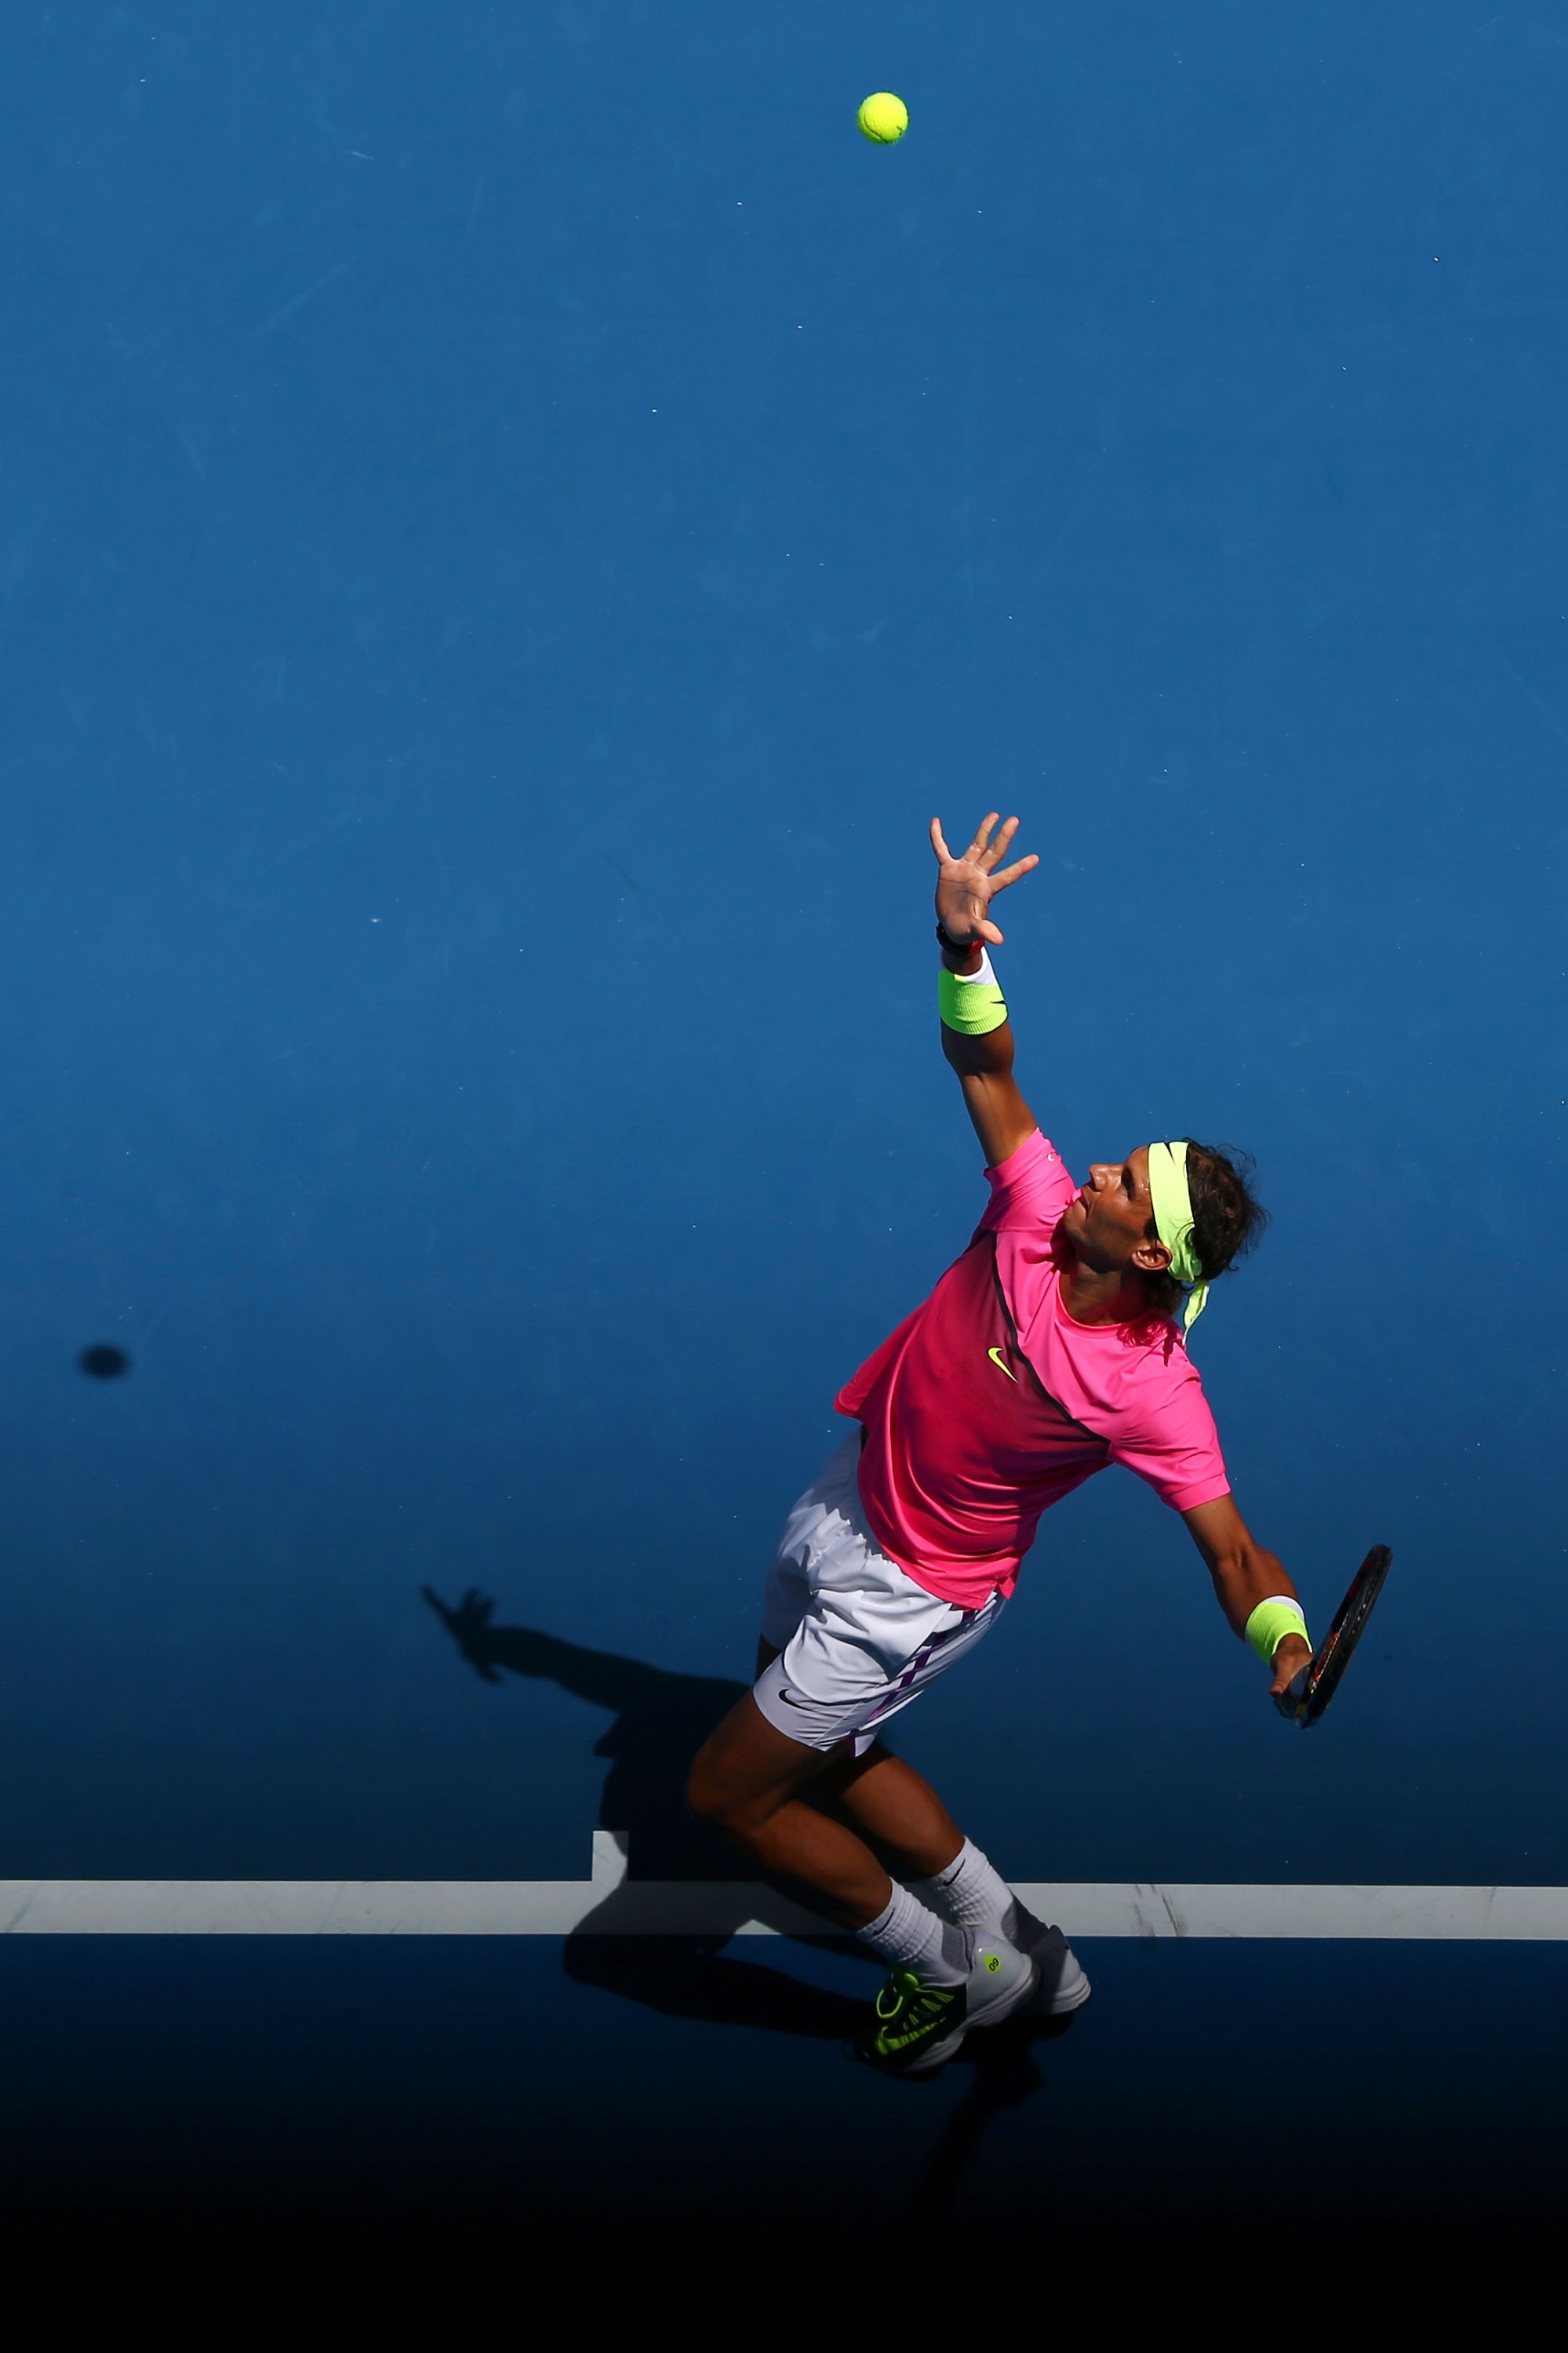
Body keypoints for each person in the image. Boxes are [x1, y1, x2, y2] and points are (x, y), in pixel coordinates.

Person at [686, 813, 1311, 2076]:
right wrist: (960, 944)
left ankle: (951, 1968)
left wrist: (1286, 1637)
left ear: (1145, 1254)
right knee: (840, 1751)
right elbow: (985, 1068)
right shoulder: (1034, 1211)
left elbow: (1235, 1553)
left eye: (1125, 1182)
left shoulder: (1153, 1393)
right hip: (849, 1495)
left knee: (727, 1798)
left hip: (909, 1596)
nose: (1092, 1167)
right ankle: (1016, 1937)